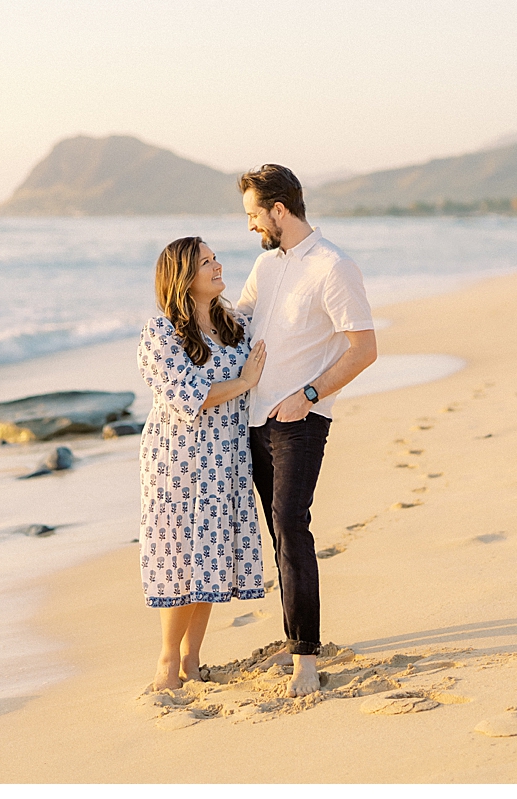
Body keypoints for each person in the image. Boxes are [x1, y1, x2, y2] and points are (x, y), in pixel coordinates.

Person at [234, 164, 377, 697]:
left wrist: (309, 395)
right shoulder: (266, 266)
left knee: (292, 526)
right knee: (277, 532)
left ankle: (306, 660)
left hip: (300, 420)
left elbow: (364, 348)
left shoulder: (334, 266)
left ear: (278, 209)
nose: (250, 226)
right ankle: (294, 635)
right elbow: (237, 324)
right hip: (253, 417)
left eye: (254, 214)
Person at [137, 236, 269, 691]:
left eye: (215, 259)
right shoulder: (162, 332)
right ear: (183, 278)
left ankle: (192, 661)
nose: (217, 266)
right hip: (178, 462)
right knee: (179, 559)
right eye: (205, 263)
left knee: (209, 557)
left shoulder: (232, 323)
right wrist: (245, 380)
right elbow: (188, 397)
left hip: (226, 458)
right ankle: (167, 661)